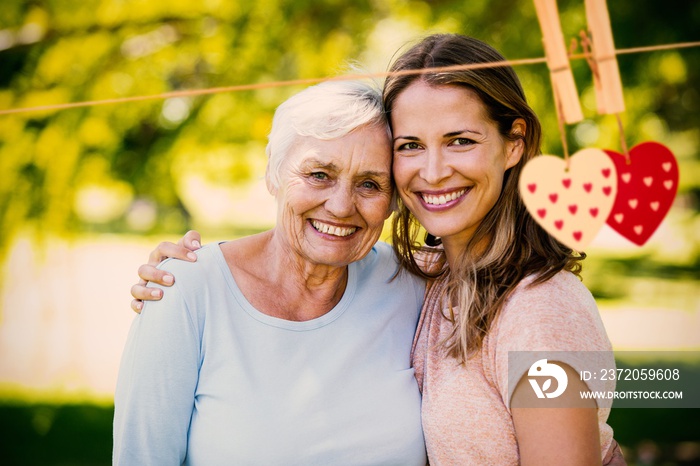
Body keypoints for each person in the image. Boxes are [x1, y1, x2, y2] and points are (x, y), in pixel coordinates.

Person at [131, 34, 625, 465]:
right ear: (274, 175)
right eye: (410, 145)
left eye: (460, 140)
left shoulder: (540, 309)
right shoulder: (428, 279)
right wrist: (190, 276)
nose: (432, 172)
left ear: (514, 144)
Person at [113, 79, 428, 465]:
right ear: (273, 175)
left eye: (369, 184)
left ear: (394, 201)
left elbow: (524, 362)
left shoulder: (415, 284)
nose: (342, 206)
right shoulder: (185, 292)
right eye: (319, 175)